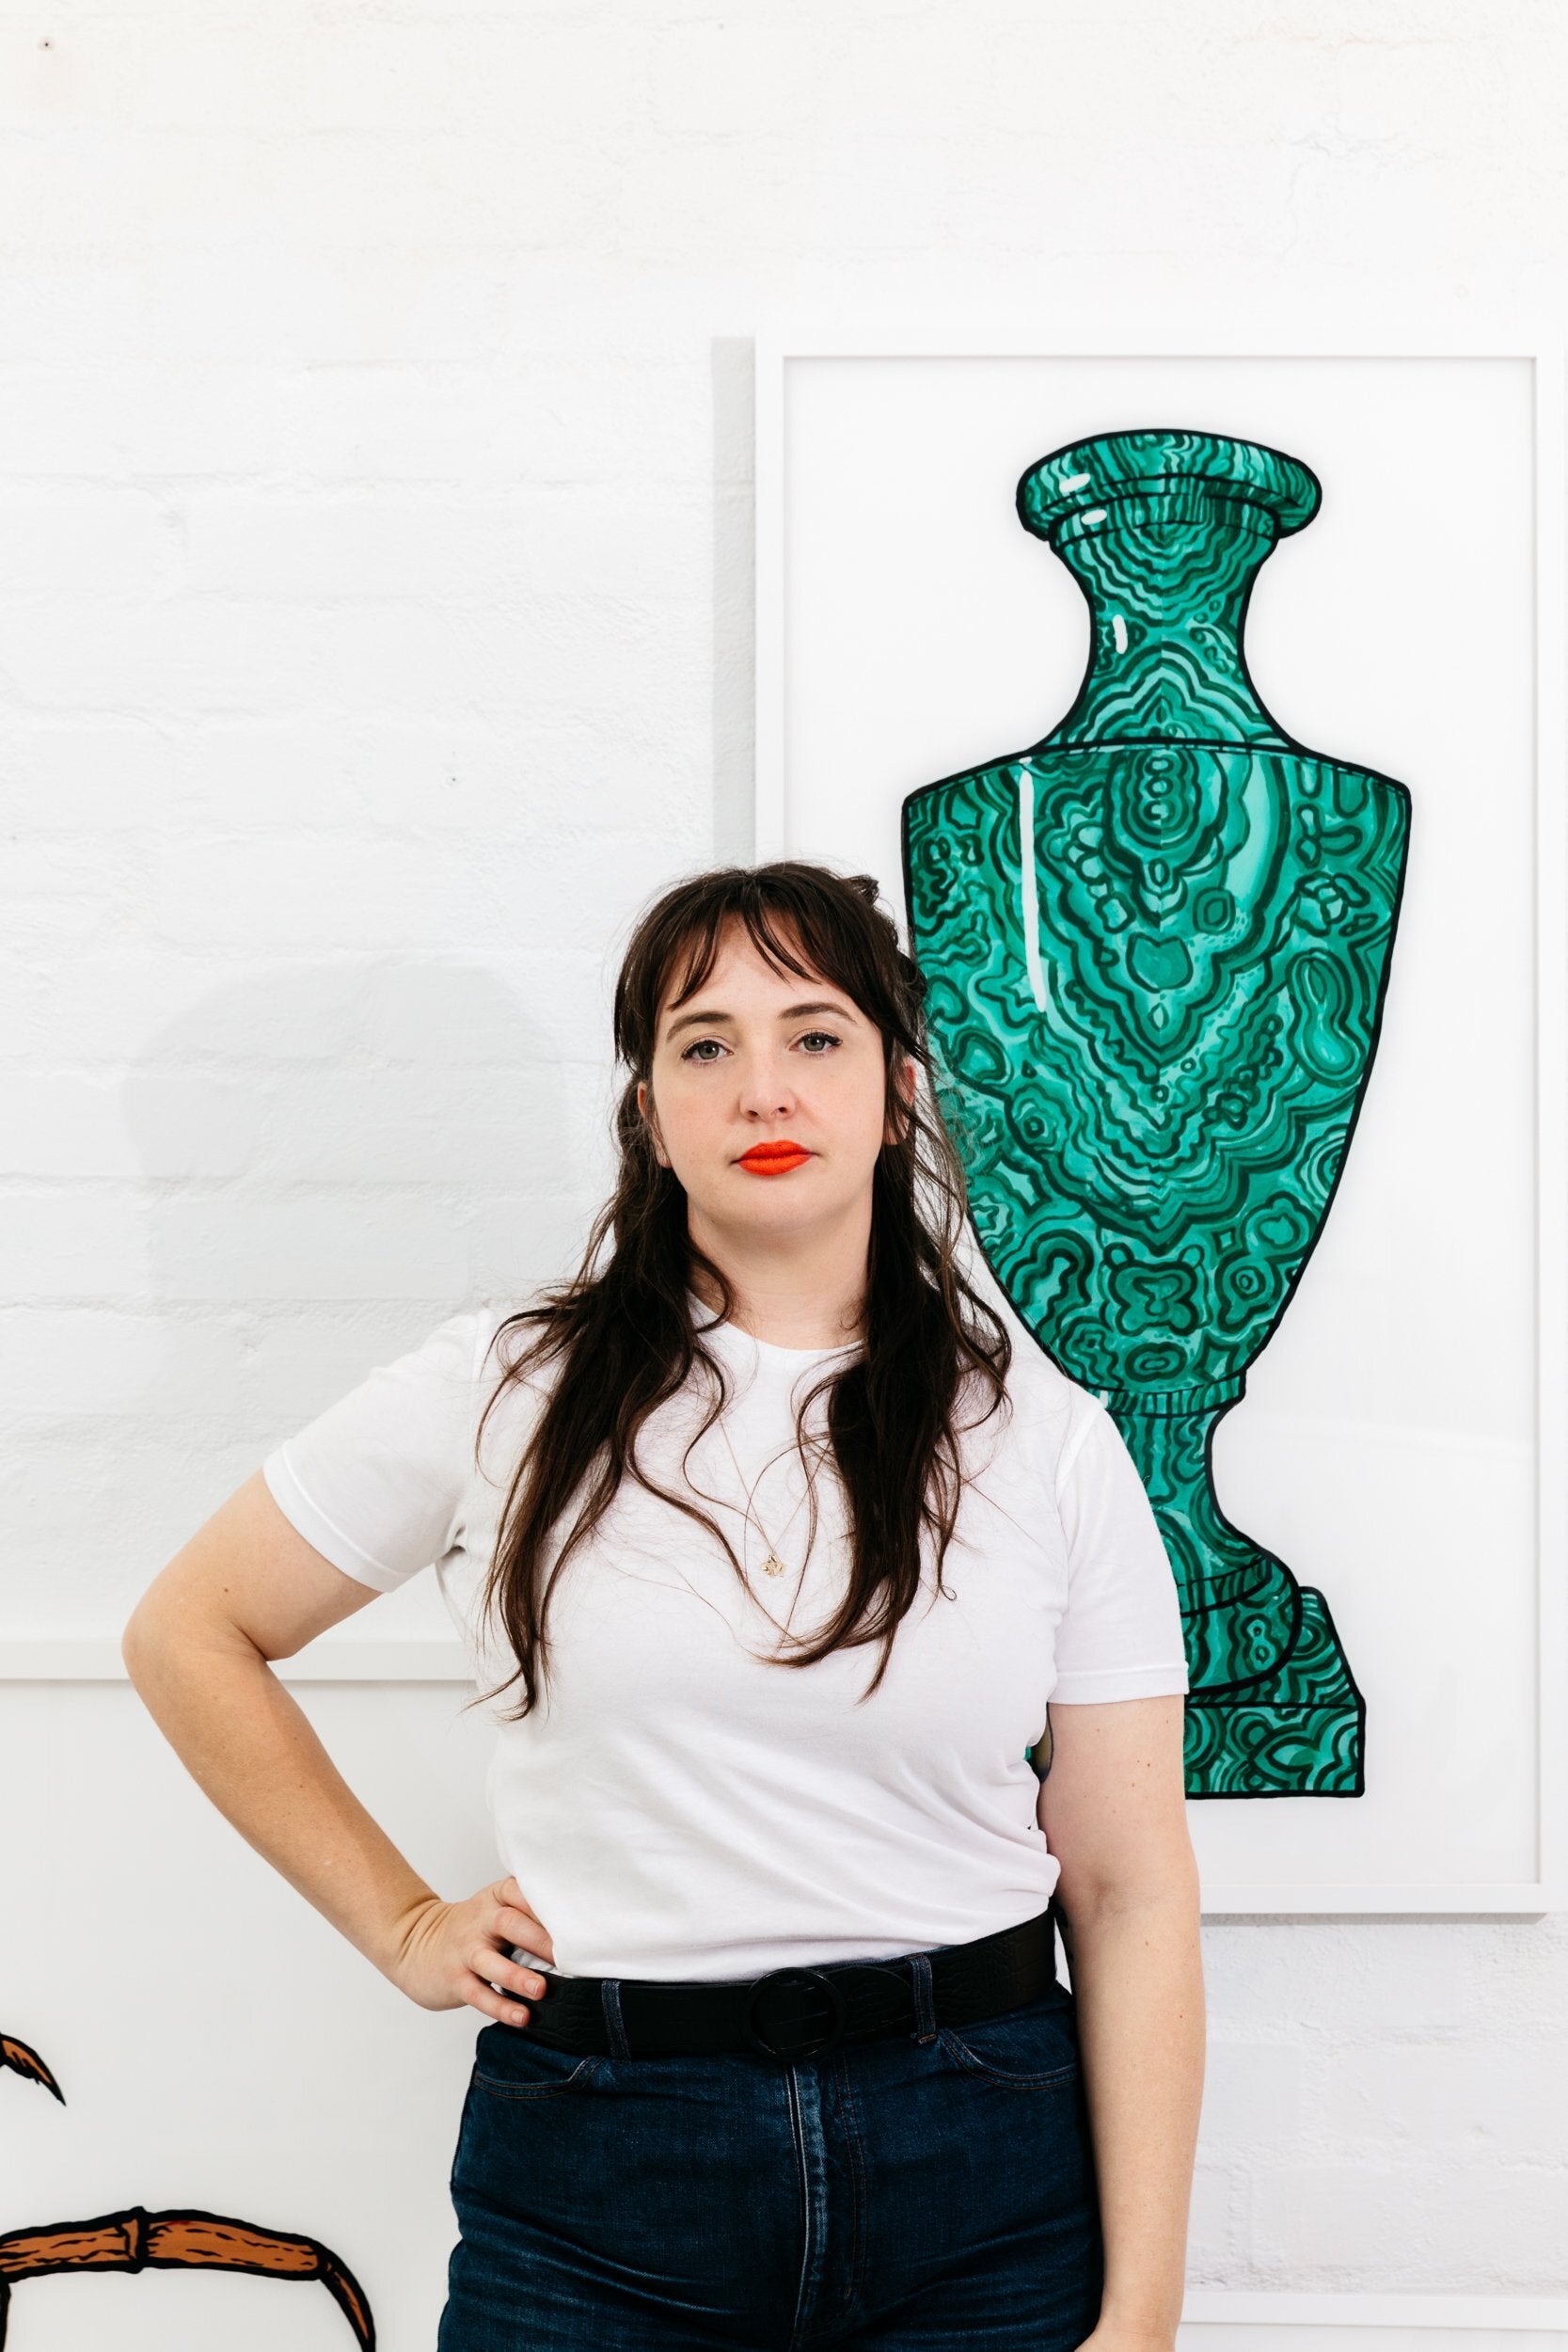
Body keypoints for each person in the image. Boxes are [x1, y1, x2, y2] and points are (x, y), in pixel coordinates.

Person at [122, 859, 1204, 2352]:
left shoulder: (1045, 1439)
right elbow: (190, 1631)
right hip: (600, 2175)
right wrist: (404, 1925)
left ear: (899, 1092)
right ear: (648, 1111)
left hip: (982, 2166)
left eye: (814, 1036)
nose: (764, 1089)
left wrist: (1142, 2315)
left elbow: (1132, 1893)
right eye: (706, 1045)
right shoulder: (502, 1389)